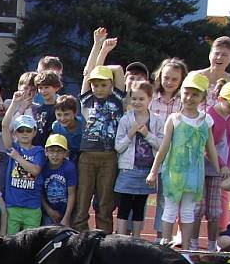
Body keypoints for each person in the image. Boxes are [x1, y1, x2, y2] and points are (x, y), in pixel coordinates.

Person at [147, 71, 219, 264]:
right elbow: (164, 147)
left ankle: (185, 250)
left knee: (188, 211)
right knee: (169, 209)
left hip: (194, 174)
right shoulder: (174, 119)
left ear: (203, 98)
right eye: (186, 93)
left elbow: (210, 147)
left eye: (195, 94)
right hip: (174, 172)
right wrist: (154, 170)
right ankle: (166, 247)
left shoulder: (206, 120)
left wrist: (220, 168)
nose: (189, 98)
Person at [73, 28, 126, 232]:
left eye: (103, 84)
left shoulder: (118, 99)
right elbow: (88, 73)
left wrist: (105, 51)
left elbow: (119, 70)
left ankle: (103, 236)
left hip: (108, 156)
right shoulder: (87, 100)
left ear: (111, 85)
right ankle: (80, 233)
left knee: (105, 201)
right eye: (95, 84)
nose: (98, 88)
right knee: (83, 197)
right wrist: (97, 46)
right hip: (87, 156)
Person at [192, 80, 230, 252]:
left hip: (221, 170)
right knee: (198, 208)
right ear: (221, 99)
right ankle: (194, 246)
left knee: (215, 210)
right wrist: (222, 165)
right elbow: (206, 146)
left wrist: (228, 166)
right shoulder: (208, 116)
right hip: (203, 167)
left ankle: (212, 246)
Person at [114, 81, 165, 238]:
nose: (137, 102)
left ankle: (136, 239)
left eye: (141, 99)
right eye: (134, 98)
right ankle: (121, 238)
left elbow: (162, 145)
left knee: (139, 206)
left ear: (150, 99)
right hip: (128, 170)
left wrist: (147, 134)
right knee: (124, 206)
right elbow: (118, 147)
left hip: (147, 171)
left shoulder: (157, 120)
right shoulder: (125, 119)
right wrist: (130, 133)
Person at [150, 57, 188, 239]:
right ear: (159, 77)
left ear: (181, 80)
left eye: (174, 79)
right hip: (150, 156)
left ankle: (162, 236)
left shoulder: (183, 102)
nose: (169, 82)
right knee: (144, 198)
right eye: (166, 78)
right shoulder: (150, 99)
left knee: (166, 200)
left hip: (174, 159)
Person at [1, 105, 45, 233]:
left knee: (30, 243)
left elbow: (35, 170)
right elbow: (4, 126)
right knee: (11, 241)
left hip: (32, 207)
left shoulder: (38, 151)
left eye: (28, 130)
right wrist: (14, 102)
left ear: (34, 132)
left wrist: (18, 158)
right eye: (21, 130)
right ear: (15, 133)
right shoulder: (13, 147)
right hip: (13, 206)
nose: (25, 133)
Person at [41, 134, 77, 227]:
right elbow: (39, 193)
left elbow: (71, 193)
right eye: (51, 151)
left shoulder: (69, 168)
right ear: (46, 152)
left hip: (66, 210)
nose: (55, 155)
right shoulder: (42, 167)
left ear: (66, 153)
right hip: (48, 210)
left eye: (59, 151)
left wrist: (66, 217)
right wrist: (49, 211)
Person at [197, 36, 230, 109]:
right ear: (210, 55)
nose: (219, 57)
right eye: (216, 53)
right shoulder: (195, 77)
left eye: (224, 55)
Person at [31, 70, 61, 147]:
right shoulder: (38, 109)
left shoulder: (59, 109)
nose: (43, 91)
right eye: (40, 88)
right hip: (36, 148)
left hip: (51, 148)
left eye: (46, 87)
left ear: (56, 87)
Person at [51, 95, 83, 163]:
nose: (62, 119)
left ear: (75, 113)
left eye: (66, 114)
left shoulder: (84, 124)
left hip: (83, 156)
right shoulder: (56, 126)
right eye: (59, 115)